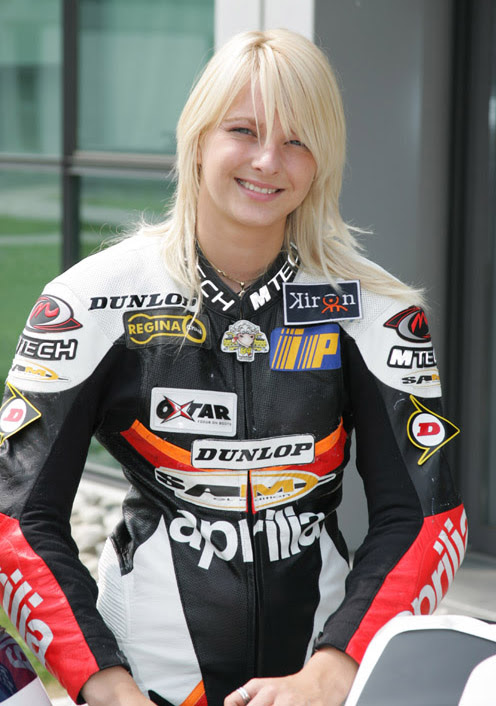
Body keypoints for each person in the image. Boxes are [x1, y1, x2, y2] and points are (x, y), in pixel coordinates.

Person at [0, 28, 465, 706]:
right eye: (244, 130)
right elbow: (18, 517)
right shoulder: (89, 301)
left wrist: (334, 671)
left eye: (298, 140)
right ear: (196, 139)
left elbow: (425, 518)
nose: (268, 161)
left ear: (324, 160)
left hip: (316, 679)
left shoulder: (378, 309)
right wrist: (106, 685)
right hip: (145, 682)